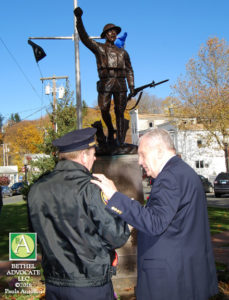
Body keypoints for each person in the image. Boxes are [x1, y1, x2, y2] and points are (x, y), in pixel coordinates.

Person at [91, 128, 218, 300]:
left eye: (142, 154)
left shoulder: (169, 177)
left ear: (159, 151)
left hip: (169, 282)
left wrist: (115, 197)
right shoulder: (183, 172)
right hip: (184, 274)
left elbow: (155, 223)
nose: (140, 162)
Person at [28, 127, 130, 300]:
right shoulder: (92, 188)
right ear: (83, 156)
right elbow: (117, 236)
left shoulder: (36, 189)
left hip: (54, 283)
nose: (95, 158)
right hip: (90, 285)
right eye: (92, 154)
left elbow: (36, 235)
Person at [74, 7, 135, 146]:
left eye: (115, 31)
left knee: (120, 112)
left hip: (121, 82)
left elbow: (130, 70)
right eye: (110, 31)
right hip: (106, 81)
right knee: (104, 109)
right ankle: (111, 129)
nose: (113, 33)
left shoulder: (123, 53)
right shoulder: (99, 48)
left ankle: (120, 141)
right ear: (105, 34)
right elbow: (84, 37)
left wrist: (131, 86)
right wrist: (79, 19)